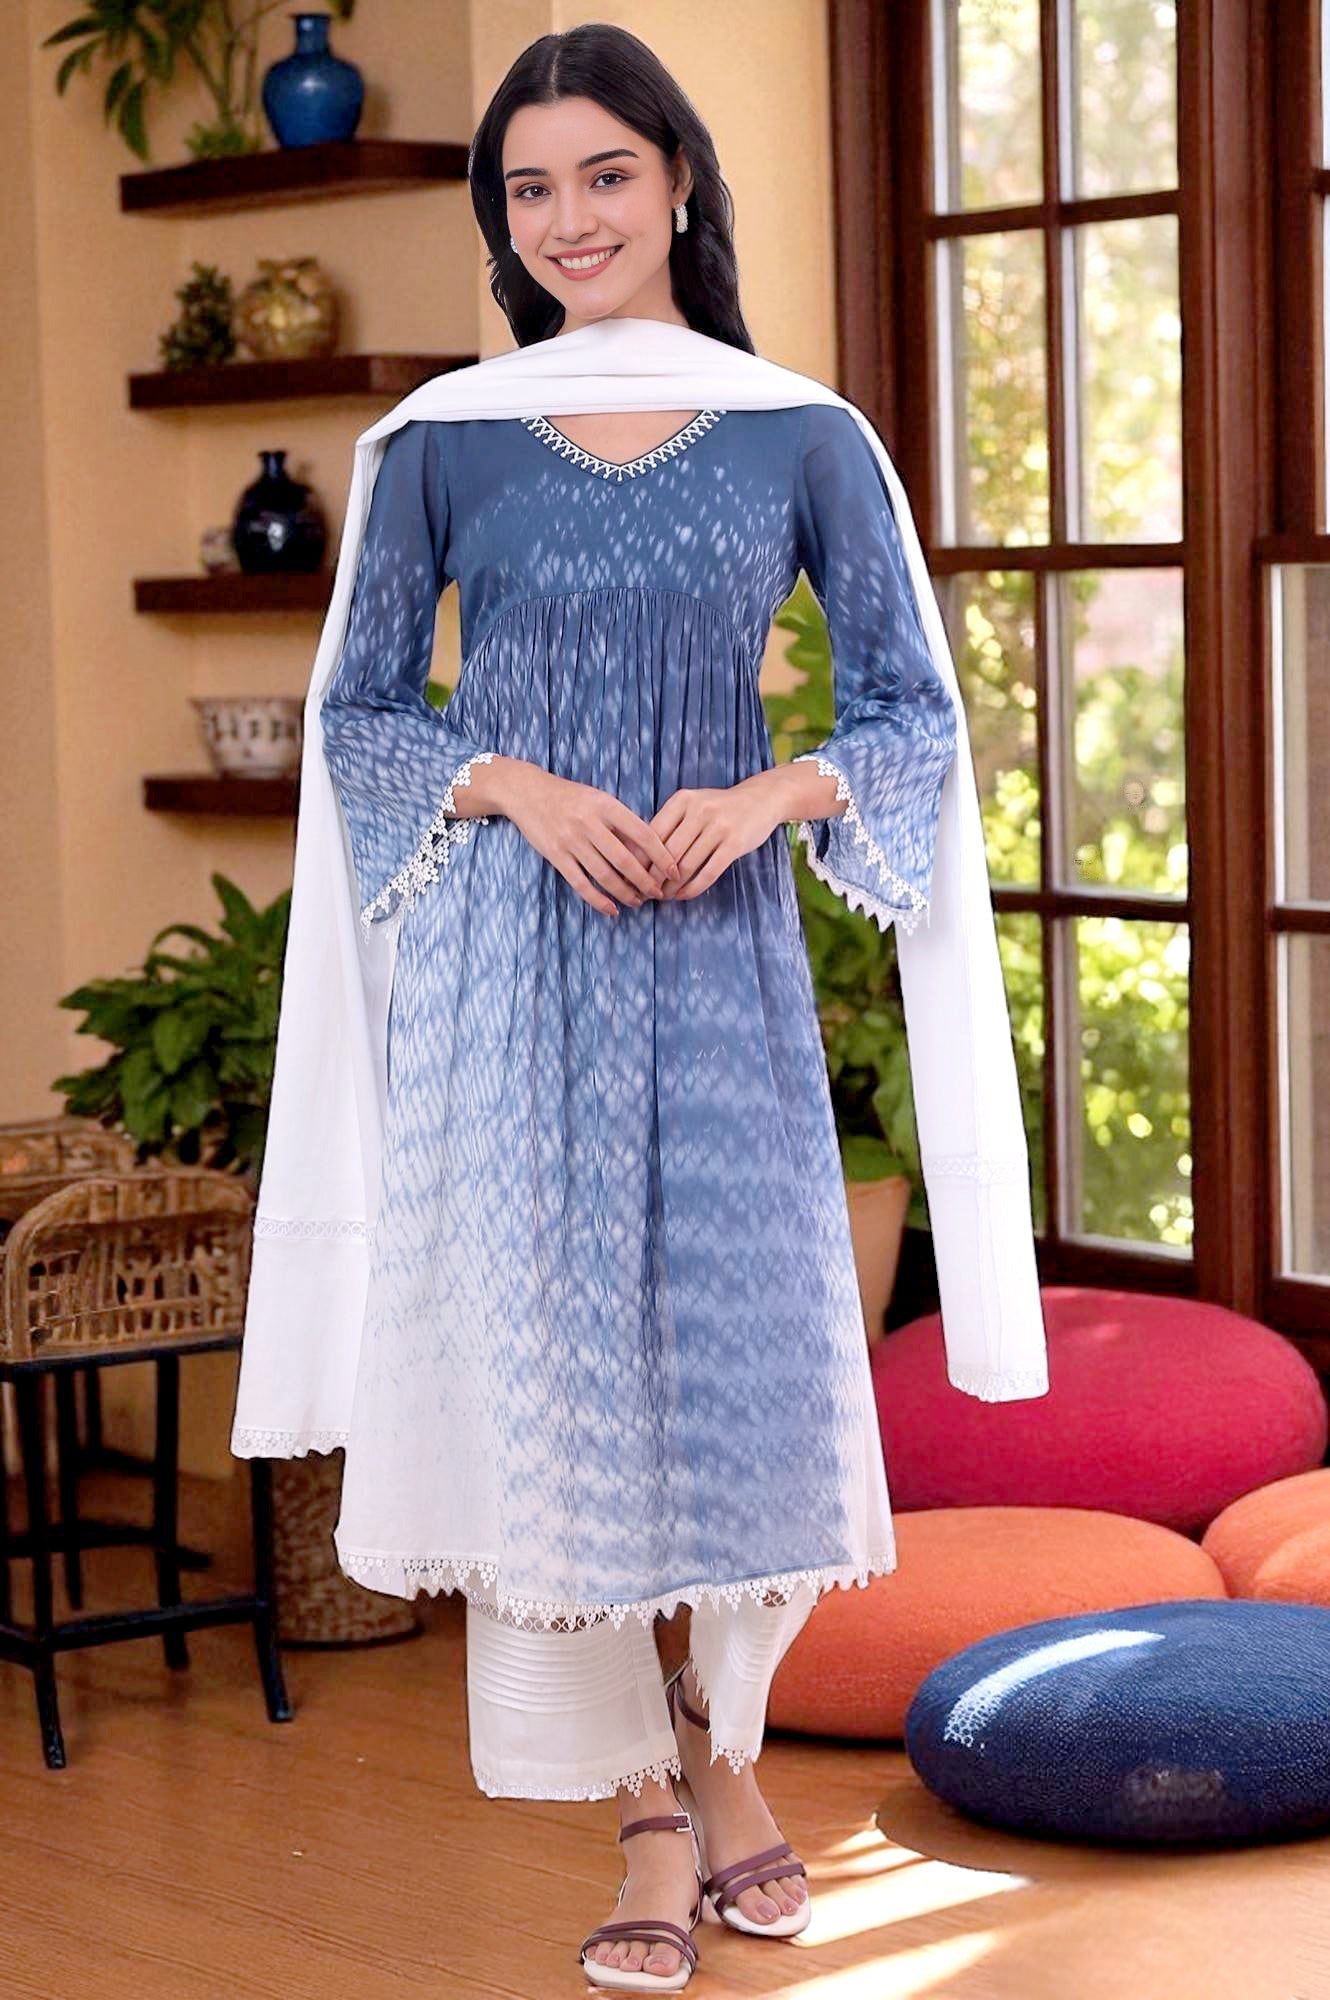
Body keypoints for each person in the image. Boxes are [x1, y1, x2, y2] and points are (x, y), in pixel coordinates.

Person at [230, 21, 1049, 1992]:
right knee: (550, 1402)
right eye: (529, 187)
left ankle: (725, 1742)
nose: (568, 217)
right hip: (505, 975)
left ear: (678, 180)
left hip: (718, 963)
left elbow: (908, 714)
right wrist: (509, 784)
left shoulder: (796, 431)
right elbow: (359, 719)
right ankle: (647, 1812)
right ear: (500, 219)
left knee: (747, 1378)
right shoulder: (444, 438)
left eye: (604, 173)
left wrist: (765, 796)